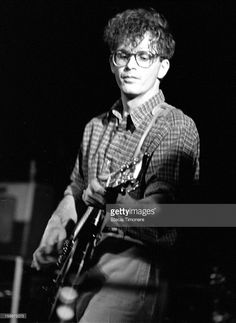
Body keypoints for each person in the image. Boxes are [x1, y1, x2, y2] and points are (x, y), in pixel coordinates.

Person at [32, 7, 200, 323]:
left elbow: (166, 219)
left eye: (143, 57)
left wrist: (115, 206)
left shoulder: (175, 126)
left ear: (162, 67)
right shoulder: (95, 127)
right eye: (122, 55)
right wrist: (54, 230)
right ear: (112, 63)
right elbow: (75, 190)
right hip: (82, 268)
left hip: (133, 267)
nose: (130, 65)